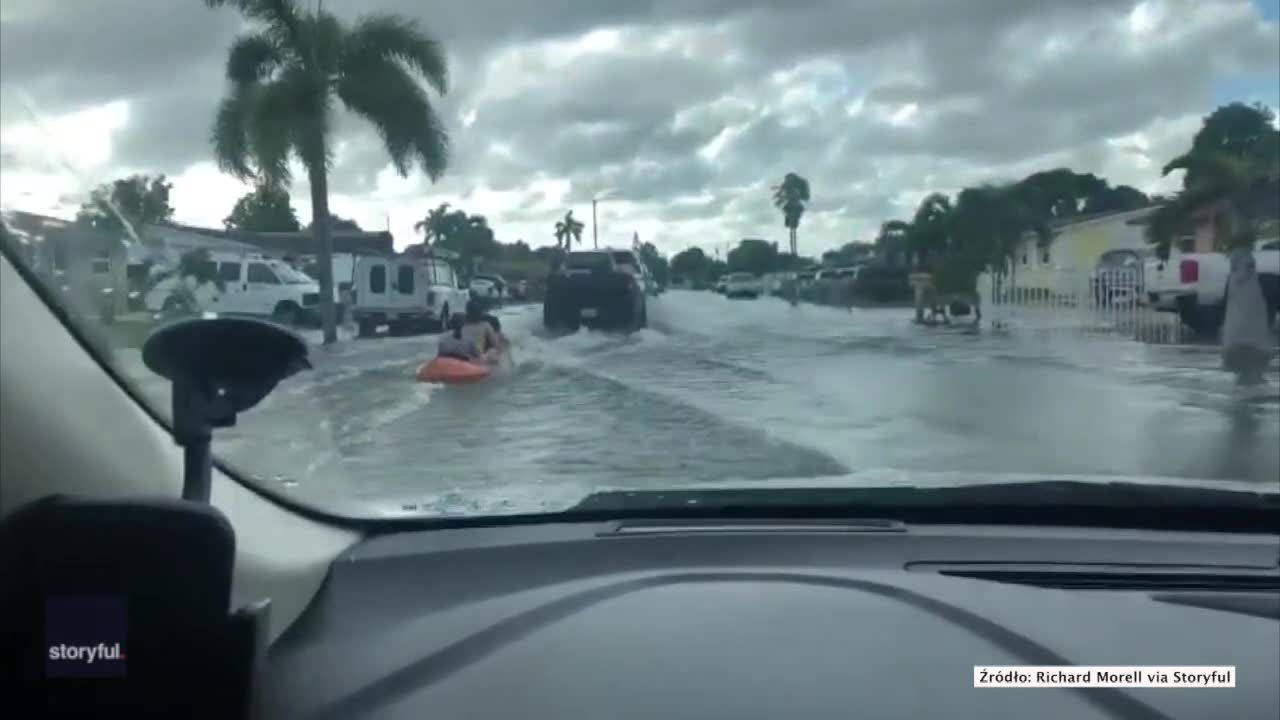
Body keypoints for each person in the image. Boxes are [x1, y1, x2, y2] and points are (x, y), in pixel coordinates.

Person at [1221, 246, 1273, 386]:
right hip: (1249, 346)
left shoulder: (1237, 282)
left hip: (1244, 344)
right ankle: (1250, 375)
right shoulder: (1246, 283)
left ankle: (1249, 375)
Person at [460, 297, 505, 364]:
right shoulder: (485, 325)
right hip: (479, 356)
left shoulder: (462, 326)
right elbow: (496, 344)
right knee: (493, 351)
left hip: (465, 356)